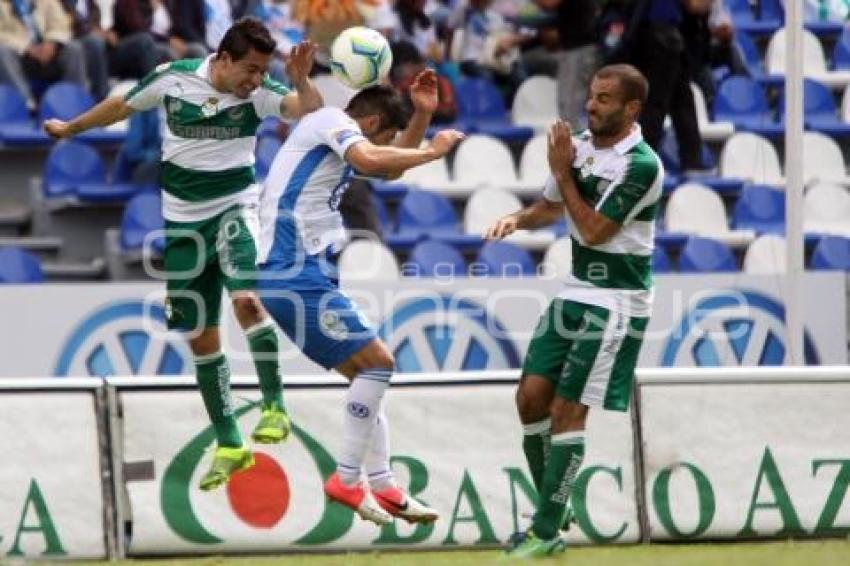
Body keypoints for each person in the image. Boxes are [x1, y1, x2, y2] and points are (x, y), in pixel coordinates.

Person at [44, 17, 323, 491]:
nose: (256, 80)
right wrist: (72, 128)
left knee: (246, 300)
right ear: (224, 59)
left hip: (236, 208)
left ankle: (275, 406)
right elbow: (120, 106)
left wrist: (299, 78)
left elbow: (307, 110)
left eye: (263, 71)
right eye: (250, 69)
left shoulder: (258, 93)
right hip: (182, 225)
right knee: (201, 336)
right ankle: (230, 442)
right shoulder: (175, 78)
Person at [256, 71, 464, 526]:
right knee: (379, 364)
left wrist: (423, 115)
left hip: (301, 274)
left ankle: (384, 484)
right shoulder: (330, 120)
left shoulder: (338, 140)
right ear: (368, 123)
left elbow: (389, 166)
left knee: (366, 377)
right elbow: (374, 159)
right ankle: (348, 478)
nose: (388, 142)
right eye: (386, 132)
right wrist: (430, 149)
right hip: (293, 273)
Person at [484, 64, 662, 558]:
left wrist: (563, 172)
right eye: (592, 95)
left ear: (631, 110)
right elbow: (550, 207)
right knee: (530, 399)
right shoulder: (580, 144)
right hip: (577, 290)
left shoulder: (642, 165)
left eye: (605, 99)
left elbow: (594, 230)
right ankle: (554, 512)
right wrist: (516, 218)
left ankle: (543, 531)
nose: (591, 105)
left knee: (567, 410)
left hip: (619, 302)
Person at [0, 0, 87, 109]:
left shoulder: (48, 2)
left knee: (73, 48)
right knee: (2, 51)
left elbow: (61, 25)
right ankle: (26, 103)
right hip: (20, 54)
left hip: (48, 51)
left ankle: (75, 99)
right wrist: (26, 47)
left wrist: (52, 42)